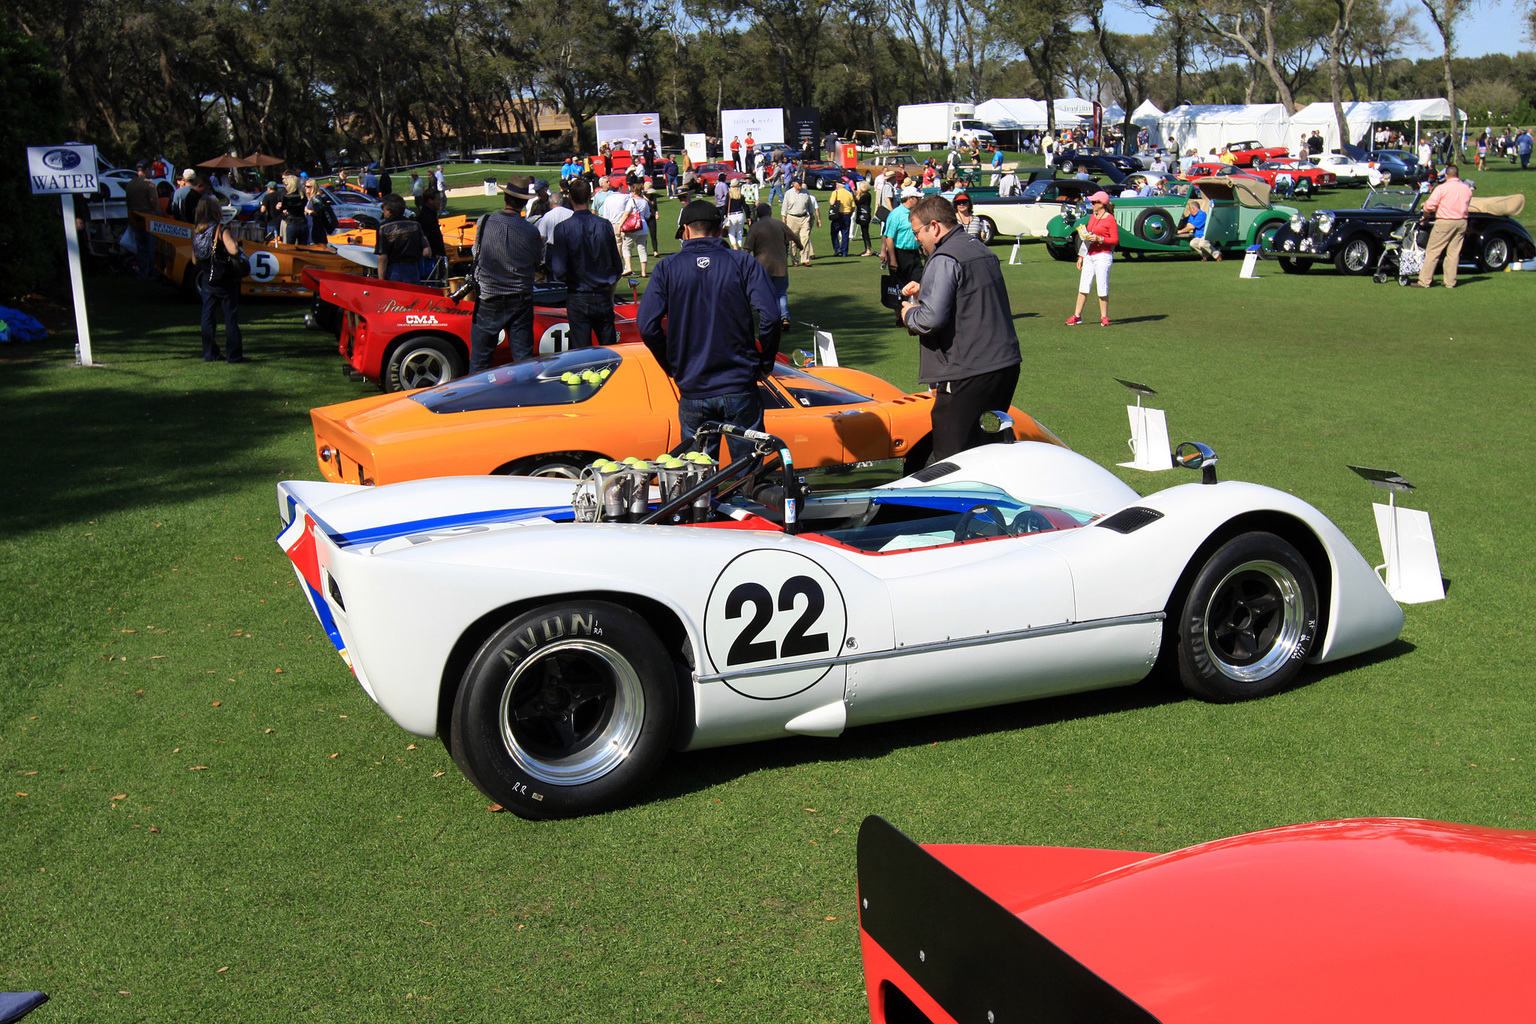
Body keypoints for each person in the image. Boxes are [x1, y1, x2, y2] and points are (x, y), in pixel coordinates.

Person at [637, 200, 781, 461]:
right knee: (747, 474)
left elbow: (647, 326)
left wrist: (671, 363)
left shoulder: (667, 267)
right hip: (739, 382)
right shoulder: (742, 263)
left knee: (696, 480)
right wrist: (766, 362)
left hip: (694, 385)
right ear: (719, 230)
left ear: (686, 231)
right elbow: (771, 316)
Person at [898, 195, 1021, 462]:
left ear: (934, 226)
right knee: (988, 448)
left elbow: (930, 320)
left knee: (953, 457)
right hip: (1004, 364)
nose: (916, 239)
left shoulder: (945, 257)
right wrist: (928, 290)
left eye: (917, 232)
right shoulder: (979, 247)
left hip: (969, 370)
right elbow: (970, 296)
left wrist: (909, 314)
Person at [468, 182, 543, 370]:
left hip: (489, 297)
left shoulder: (484, 222)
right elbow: (537, 263)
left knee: (480, 360)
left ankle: (478, 397)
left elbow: (476, 252)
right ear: (524, 203)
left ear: (505, 198)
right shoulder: (531, 231)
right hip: (519, 298)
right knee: (523, 361)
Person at [549, 177, 624, 348]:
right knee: (610, 350)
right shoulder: (603, 225)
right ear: (590, 197)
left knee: (582, 354)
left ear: (570, 198)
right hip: (601, 294)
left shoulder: (564, 228)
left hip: (578, 294)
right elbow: (617, 265)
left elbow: (558, 270)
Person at [191, 195, 244, 363]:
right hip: (225, 278)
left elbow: (194, 259)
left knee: (207, 316)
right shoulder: (220, 229)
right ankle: (234, 355)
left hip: (207, 278)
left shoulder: (197, 231)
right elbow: (233, 250)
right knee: (230, 318)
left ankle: (210, 353)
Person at [1414, 164, 1473, 288]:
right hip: (1461, 221)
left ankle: (1424, 281)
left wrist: (1425, 210)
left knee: (1433, 251)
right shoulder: (1466, 189)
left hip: (1445, 221)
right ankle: (1450, 282)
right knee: (1453, 253)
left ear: (1446, 175)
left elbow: (1430, 205)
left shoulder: (1442, 188)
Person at [1066, 190, 1118, 326]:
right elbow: (1087, 238)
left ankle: (1104, 317)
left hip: (1103, 255)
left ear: (1102, 204)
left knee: (1102, 286)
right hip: (1090, 255)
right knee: (1083, 285)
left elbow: (1115, 240)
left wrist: (1100, 239)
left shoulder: (1110, 219)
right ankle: (1077, 315)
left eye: (1095, 202)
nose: (1092, 204)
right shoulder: (1093, 217)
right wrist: (1081, 255)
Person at [743, 201, 796, 326]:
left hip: (762, 267)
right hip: (780, 266)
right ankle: (784, 318)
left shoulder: (755, 227)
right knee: (781, 293)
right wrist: (799, 245)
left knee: (763, 294)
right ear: (770, 212)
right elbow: (794, 237)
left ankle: (767, 317)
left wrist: (744, 263)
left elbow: (747, 249)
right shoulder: (779, 224)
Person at [375, 194, 430, 284]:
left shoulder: (383, 228)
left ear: (389, 210)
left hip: (394, 271)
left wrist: (381, 280)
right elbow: (427, 252)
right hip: (413, 269)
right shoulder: (415, 225)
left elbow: (383, 258)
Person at [881, 185, 924, 289]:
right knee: (901, 287)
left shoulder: (917, 213)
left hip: (914, 253)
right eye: (917, 198)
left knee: (919, 284)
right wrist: (893, 260)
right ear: (910, 198)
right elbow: (889, 238)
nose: (919, 200)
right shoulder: (896, 214)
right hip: (900, 254)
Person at [123, 159, 160, 281]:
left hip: (135, 218)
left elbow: (128, 203)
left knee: (140, 248)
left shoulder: (130, 184)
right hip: (148, 218)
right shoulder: (149, 184)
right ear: (147, 170)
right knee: (151, 248)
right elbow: (154, 203)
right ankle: (153, 273)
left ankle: (143, 273)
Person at [605, 181, 650, 276]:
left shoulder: (631, 200)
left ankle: (628, 267)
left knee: (626, 247)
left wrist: (621, 225)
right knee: (642, 248)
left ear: (634, 192)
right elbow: (647, 216)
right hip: (643, 227)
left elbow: (626, 214)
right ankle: (643, 271)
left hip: (632, 227)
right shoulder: (645, 201)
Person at [780, 178, 820, 265]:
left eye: (801, 183)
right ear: (794, 184)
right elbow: (784, 209)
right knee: (792, 240)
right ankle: (794, 260)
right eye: (798, 183)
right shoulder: (788, 193)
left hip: (804, 217)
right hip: (792, 218)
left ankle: (805, 259)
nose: (800, 185)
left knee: (805, 238)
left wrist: (812, 218)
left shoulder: (805, 192)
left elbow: (810, 207)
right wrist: (784, 221)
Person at [1176, 195, 1219, 261]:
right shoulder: (1192, 216)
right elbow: (1184, 221)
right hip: (1199, 236)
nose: (1189, 211)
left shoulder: (1202, 214)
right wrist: (1177, 227)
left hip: (1207, 235)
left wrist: (1180, 231)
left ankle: (1217, 255)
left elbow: (1192, 227)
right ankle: (1206, 256)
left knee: (1202, 244)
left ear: (1193, 208)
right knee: (1192, 243)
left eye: (1189, 209)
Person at [828, 177, 854, 256]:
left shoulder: (835, 193)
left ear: (837, 185)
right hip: (847, 214)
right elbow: (853, 206)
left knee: (834, 232)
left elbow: (832, 203)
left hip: (838, 214)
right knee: (845, 233)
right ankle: (844, 251)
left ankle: (837, 248)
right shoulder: (849, 194)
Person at [279, 175, 306, 243]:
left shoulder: (287, 197)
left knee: (290, 248)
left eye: (286, 185)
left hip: (292, 223)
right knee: (303, 248)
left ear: (291, 185)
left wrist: (280, 209)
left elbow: (283, 210)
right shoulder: (303, 195)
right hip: (303, 222)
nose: (285, 187)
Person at [724, 180, 748, 249]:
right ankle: (739, 247)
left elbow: (726, 206)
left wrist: (724, 216)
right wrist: (748, 217)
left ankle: (735, 247)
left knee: (731, 233)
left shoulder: (729, 195)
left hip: (732, 215)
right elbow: (745, 207)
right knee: (740, 232)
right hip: (740, 214)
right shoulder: (741, 195)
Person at [854, 180, 875, 256]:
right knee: (864, 232)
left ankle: (868, 250)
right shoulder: (867, 195)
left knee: (865, 233)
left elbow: (857, 203)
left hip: (864, 215)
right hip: (864, 215)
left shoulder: (866, 196)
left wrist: (858, 195)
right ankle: (867, 249)